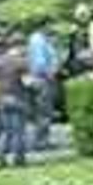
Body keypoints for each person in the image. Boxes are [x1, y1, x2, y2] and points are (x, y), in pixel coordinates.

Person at [0, 35, 30, 169]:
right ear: (18, 46)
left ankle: (0, 159)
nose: (25, 49)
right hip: (18, 99)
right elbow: (27, 81)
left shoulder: (0, 60)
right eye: (24, 47)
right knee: (18, 132)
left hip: (3, 99)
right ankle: (19, 160)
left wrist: (1, 90)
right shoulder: (21, 62)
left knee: (5, 132)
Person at [27, 19, 59, 150]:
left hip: (40, 79)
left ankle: (41, 140)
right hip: (43, 79)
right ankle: (41, 142)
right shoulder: (38, 40)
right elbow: (40, 63)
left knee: (42, 111)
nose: (51, 28)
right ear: (43, 26)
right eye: (49, 25)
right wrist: (50, 75)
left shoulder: (38, 39)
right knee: (44, 111)